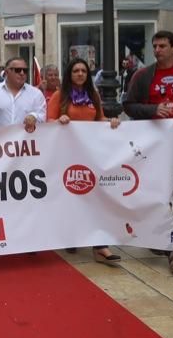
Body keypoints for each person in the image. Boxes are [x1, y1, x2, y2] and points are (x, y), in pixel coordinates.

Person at [123, 30, 173, 275]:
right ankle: (156, 238)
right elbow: (129, 105)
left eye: (163, 46)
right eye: (155, 46)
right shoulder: (143, 76)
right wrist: (154, 109)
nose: (157, 50)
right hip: (149, 146)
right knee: (151, 194)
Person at [47, 58, 121, 264]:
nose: (80, 74)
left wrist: (110, 122)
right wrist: (58, 121)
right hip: (65, 155)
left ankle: (100, 246)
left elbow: (99, 119)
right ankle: (71, 235)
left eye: (83, 71)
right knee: (70, 197)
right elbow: (48, 122)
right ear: (69, 74)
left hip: (90, 155)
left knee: (93, 197)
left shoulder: (93, 95)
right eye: (76, 71)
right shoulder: (59, 96)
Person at [0, 57, 46, 130]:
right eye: (18, 70)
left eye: (25, 70)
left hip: (27, 140)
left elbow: (42, 117)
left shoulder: (36, 94)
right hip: (0, 140)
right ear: (7, 72)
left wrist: (34, 116)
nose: (22, 73)